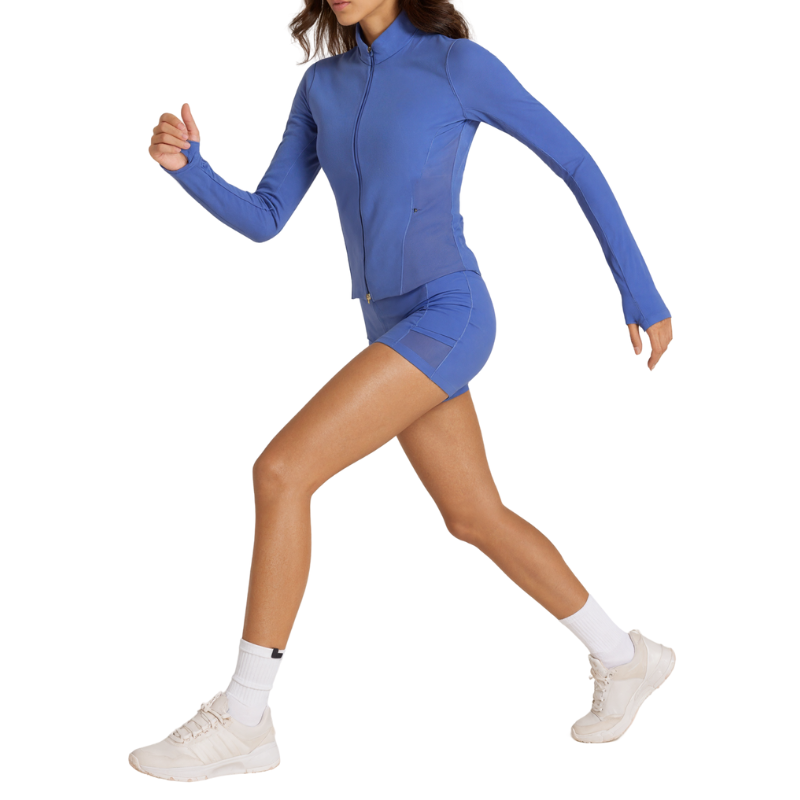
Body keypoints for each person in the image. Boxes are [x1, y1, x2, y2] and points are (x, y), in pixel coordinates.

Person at [131, 0, 675, 781]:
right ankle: (626, 659)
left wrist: (639, 290)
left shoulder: (457, 66)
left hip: (450, 312)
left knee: (282, 472)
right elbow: (267, 216)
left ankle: (245, 717)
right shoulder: (323, 87)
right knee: (473, 515)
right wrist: (190, 169)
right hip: (387, 323)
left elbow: (575, 163)